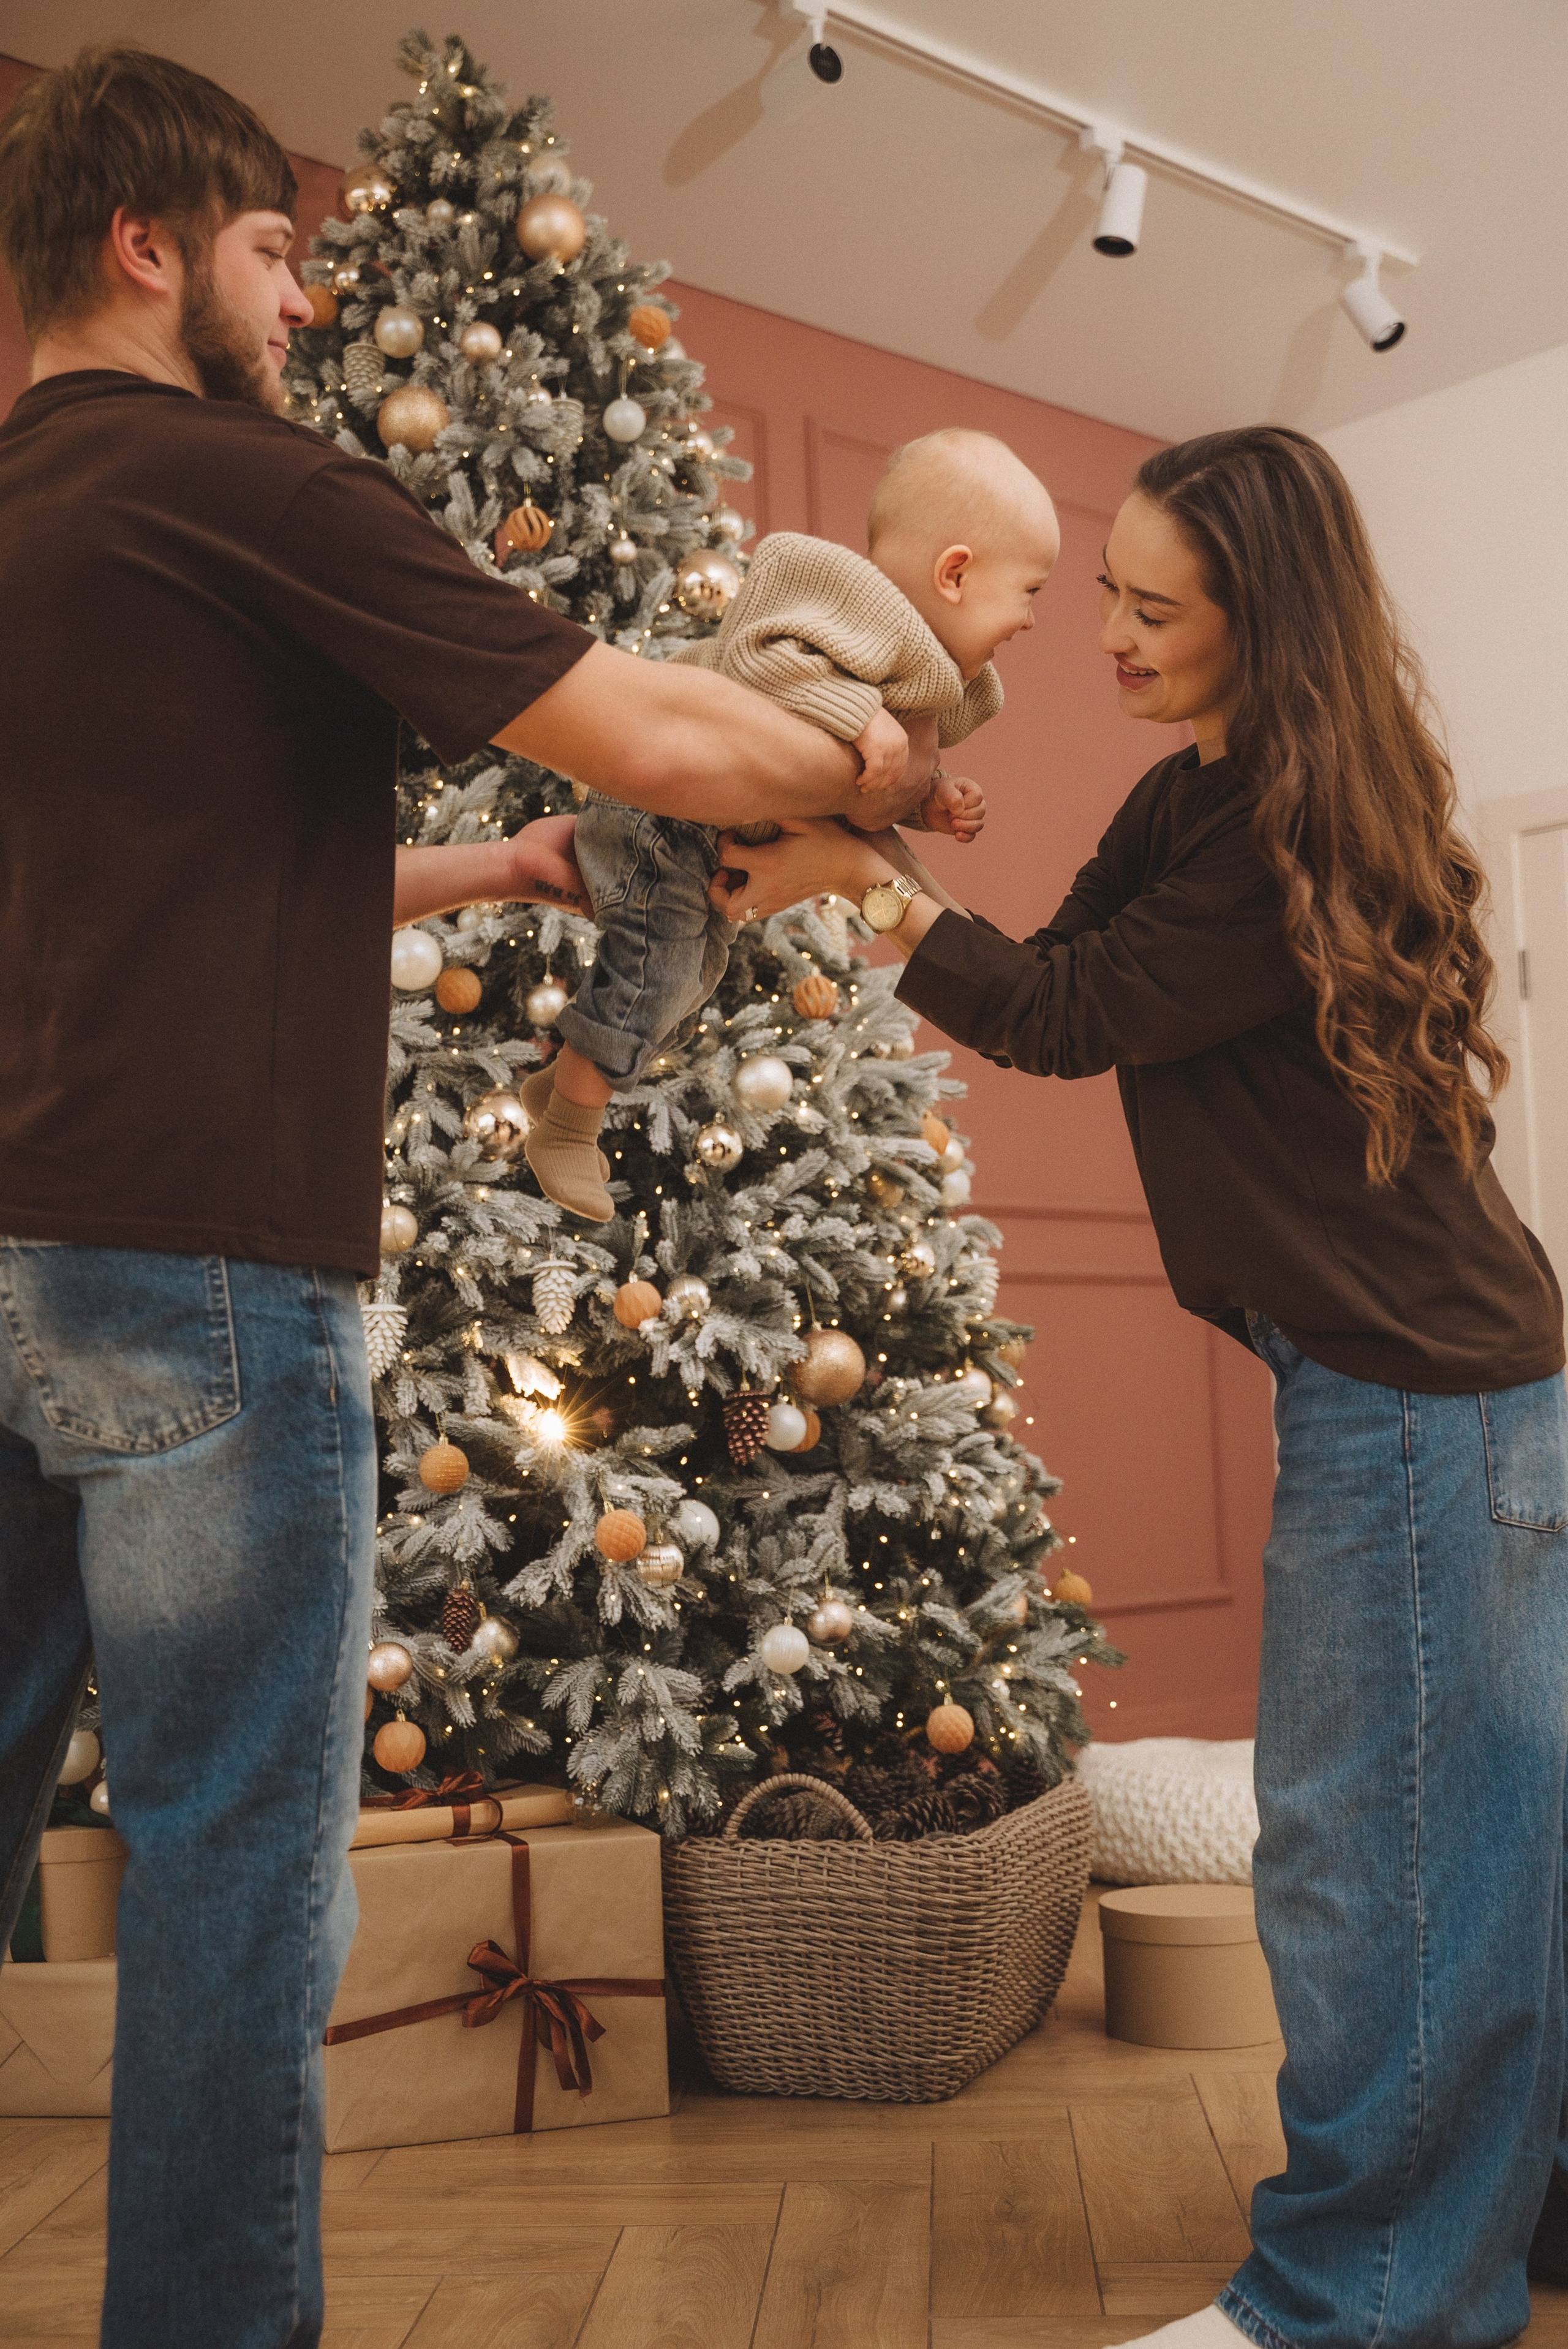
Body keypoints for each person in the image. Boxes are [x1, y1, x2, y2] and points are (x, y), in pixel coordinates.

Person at [0, 45, 935, 2349]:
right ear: (150, 247)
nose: (300, 302)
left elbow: (177, 866)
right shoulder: (239, 481)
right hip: (203, 1274)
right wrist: (885, 755)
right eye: (271, 251)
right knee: (230, 1869)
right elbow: (665, 739)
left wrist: (481, 864)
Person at [712, 424, 1568, 2349]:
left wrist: (859, 878)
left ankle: (1363, 2301)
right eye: (1104, 588)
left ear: (1259, 616)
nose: (1102, 628)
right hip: (1414, 1385)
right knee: (1479, 1844)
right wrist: (893, 832)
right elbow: (1055, 958)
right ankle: (1491, 2237)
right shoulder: (1195, 801)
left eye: (1148, 604)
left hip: (1422, 1395)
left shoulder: (1286, 826)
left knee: (1382, 1866)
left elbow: (1067, 1014)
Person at [525, 427, 1057, 1220]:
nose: (1030, 621)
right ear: (955, 574)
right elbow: (760, 662)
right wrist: (859, 714)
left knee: (693, 976)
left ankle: (564, 1074)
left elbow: (852, 787)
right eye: (1030, 593)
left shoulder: (920, 678)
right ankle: (568, 1122)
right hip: (660, 814)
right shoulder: (840, 593)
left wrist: (927, 798)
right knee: (661, 970)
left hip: (702, 833)